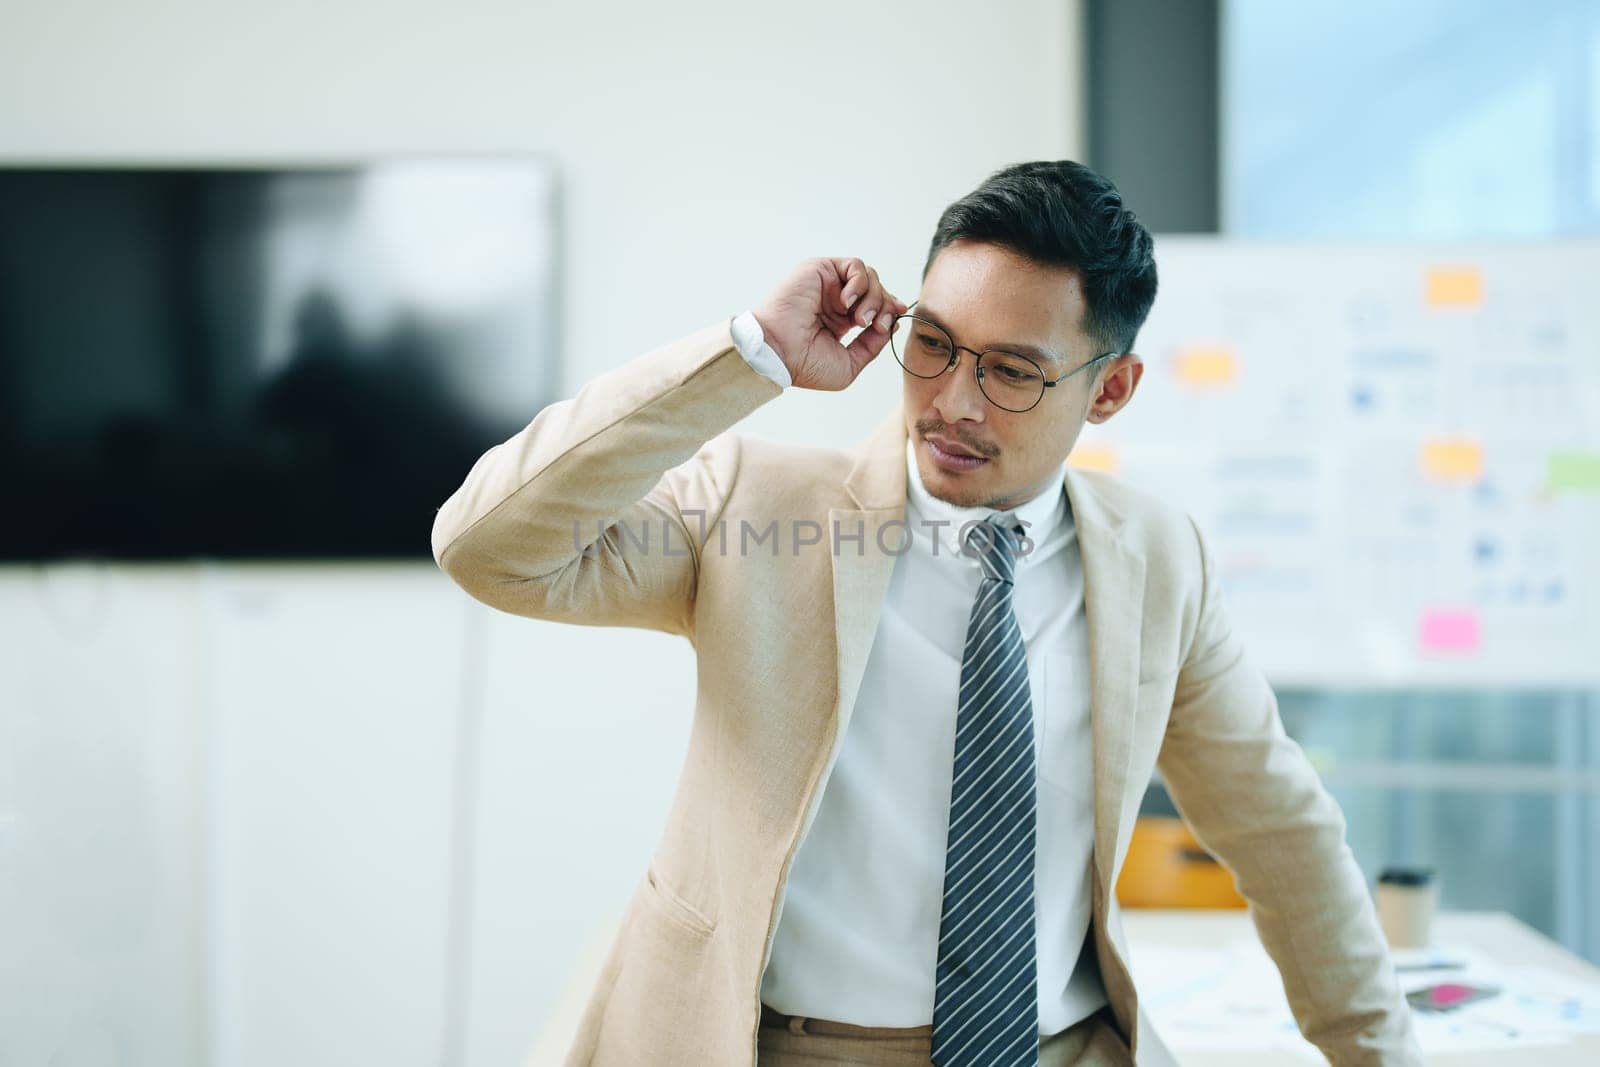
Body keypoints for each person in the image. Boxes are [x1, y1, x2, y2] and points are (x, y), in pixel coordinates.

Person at [430, 161, 1421, 1066]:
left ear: (1109, 389)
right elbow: (488, 546)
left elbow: (1280, 829)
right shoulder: (755, 509)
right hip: (783, 1045)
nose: (954, 401)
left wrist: (1379, 1055)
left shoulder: (1158, 557)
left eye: (1013, 371)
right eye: (934, 345)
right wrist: (753, 355)